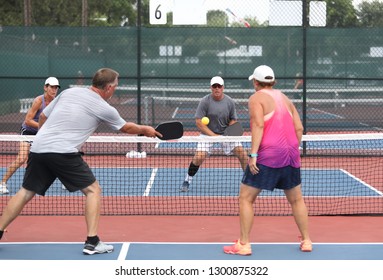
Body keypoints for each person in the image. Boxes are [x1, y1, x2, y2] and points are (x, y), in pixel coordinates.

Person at [0, 68, 162, 255]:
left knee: (26, 192)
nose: (115, 89)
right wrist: (146, 129)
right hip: (63, 152)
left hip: (38, 148)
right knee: (93, 190)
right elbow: (125, 127)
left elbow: (43, 116)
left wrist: (44, 137)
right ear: (108, 87)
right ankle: (92, 241)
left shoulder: (68, 92)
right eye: (115, 86)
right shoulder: (103, 107)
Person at [223, 65, 312, 255]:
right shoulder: (285, 98)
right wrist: (293, 149)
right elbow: (299, 128)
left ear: (255, 82)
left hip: (268, 155)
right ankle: (307, 240)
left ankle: (244, 244)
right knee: (296, 199)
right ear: (273, 82)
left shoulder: (256, 98)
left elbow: (258, 124)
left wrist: (253, 155)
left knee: (246, 198)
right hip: (291, 154)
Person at [180, 76, 248, 192]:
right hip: (207, 135)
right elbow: (199, 122)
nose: (217, 88)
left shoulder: (229, 101)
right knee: (199, 157)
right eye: (214, 86)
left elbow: (233, 120)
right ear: (211, 88)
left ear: (223, 88)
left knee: (242, 153)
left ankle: (248, 182)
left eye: (219, 86)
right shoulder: (204, 101)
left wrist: (228, 132)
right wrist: (214, 136)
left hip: (226, 134)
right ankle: (187, 180)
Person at [0, 77, 60, 195]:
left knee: (56, 156)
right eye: (51, 87)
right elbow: (27, 120)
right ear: (45, 87)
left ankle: (65, 180)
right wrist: (42, 127)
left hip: (42, 133)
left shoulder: (55, 102)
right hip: (28, 132)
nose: (54, 90)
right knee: (22, 158)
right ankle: (2, 183)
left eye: (56, 88)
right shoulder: (38, 101)